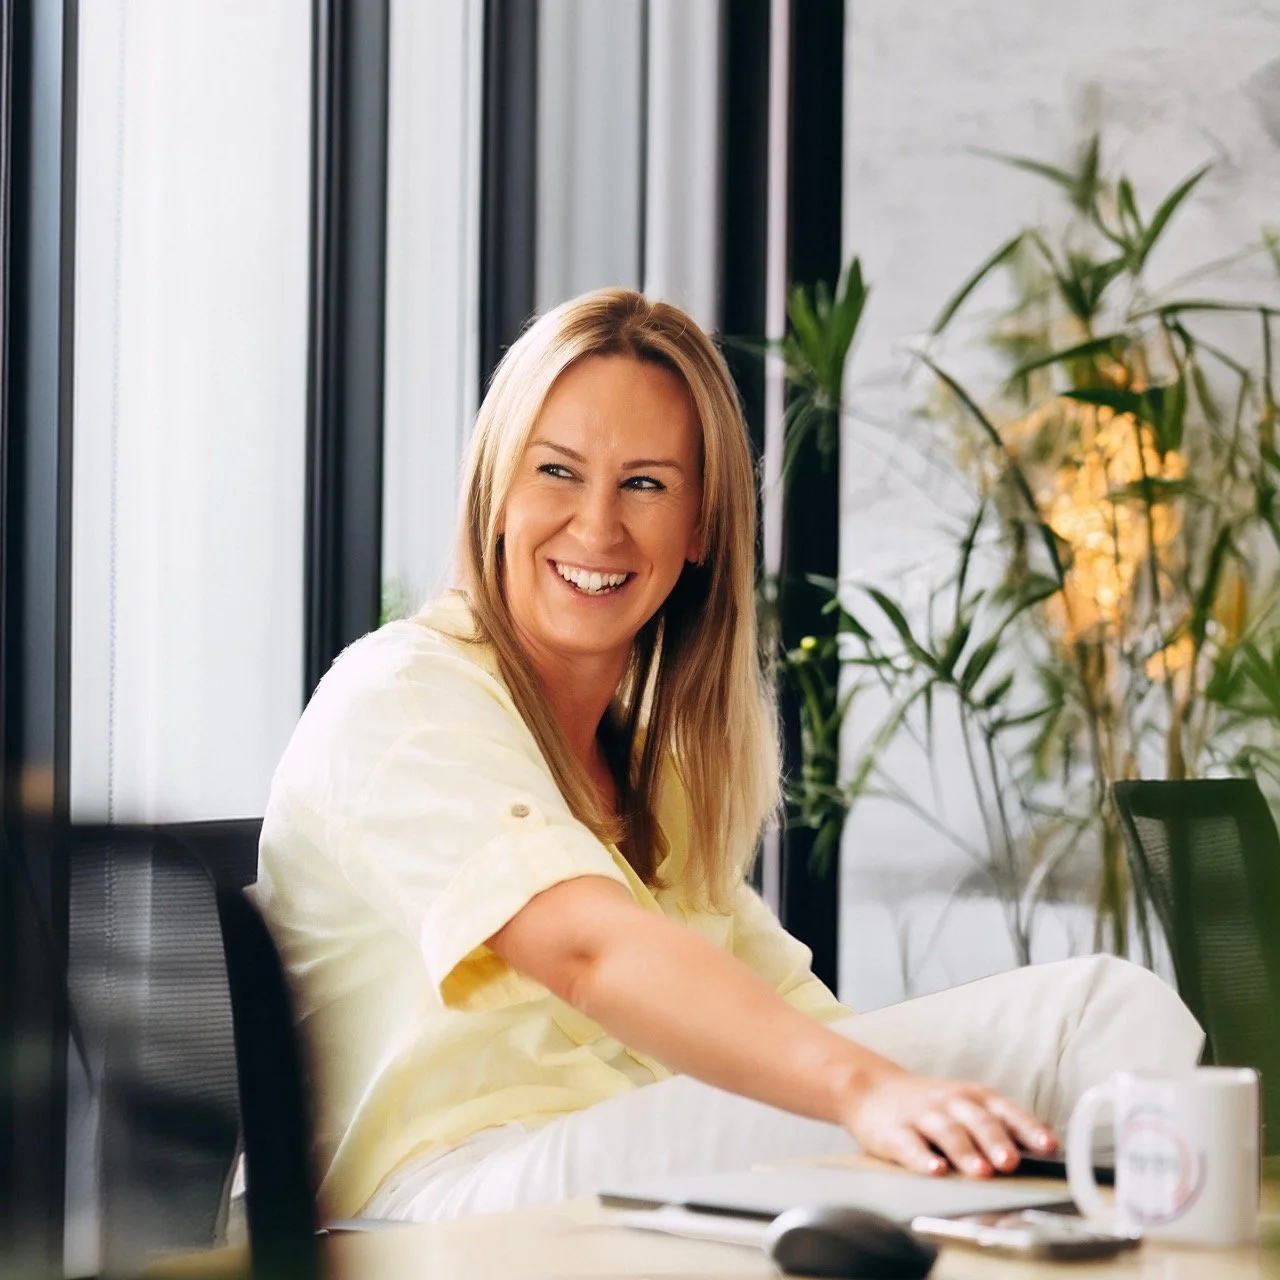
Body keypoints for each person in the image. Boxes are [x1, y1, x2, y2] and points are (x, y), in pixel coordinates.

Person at [255, 287, 1202, 1224]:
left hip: (614, 1167)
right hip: (437, 1205)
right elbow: (589, 951)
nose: (597, 526)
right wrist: (867, 1092)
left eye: (645, 484)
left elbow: (791, 1020)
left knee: (1060, 1060)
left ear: (701, 527)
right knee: (1091, 1014)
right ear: (495, 491)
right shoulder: (403, 695)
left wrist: (909, 1101)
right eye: (556, 471)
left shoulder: (650, 769)